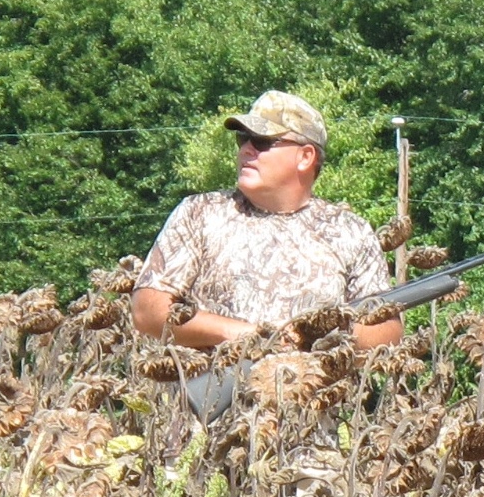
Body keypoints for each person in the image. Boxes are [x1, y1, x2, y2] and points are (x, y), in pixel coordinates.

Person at [130, 91, 402, 353]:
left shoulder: (350, 231)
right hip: (218, 397)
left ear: (306, 156)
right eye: (243, 139)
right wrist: (244, 334)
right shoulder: (198, 213)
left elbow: (387, 331)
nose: (247, 150)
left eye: (262, 141)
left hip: (316, 396)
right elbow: (147, 311)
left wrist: (319, 336)